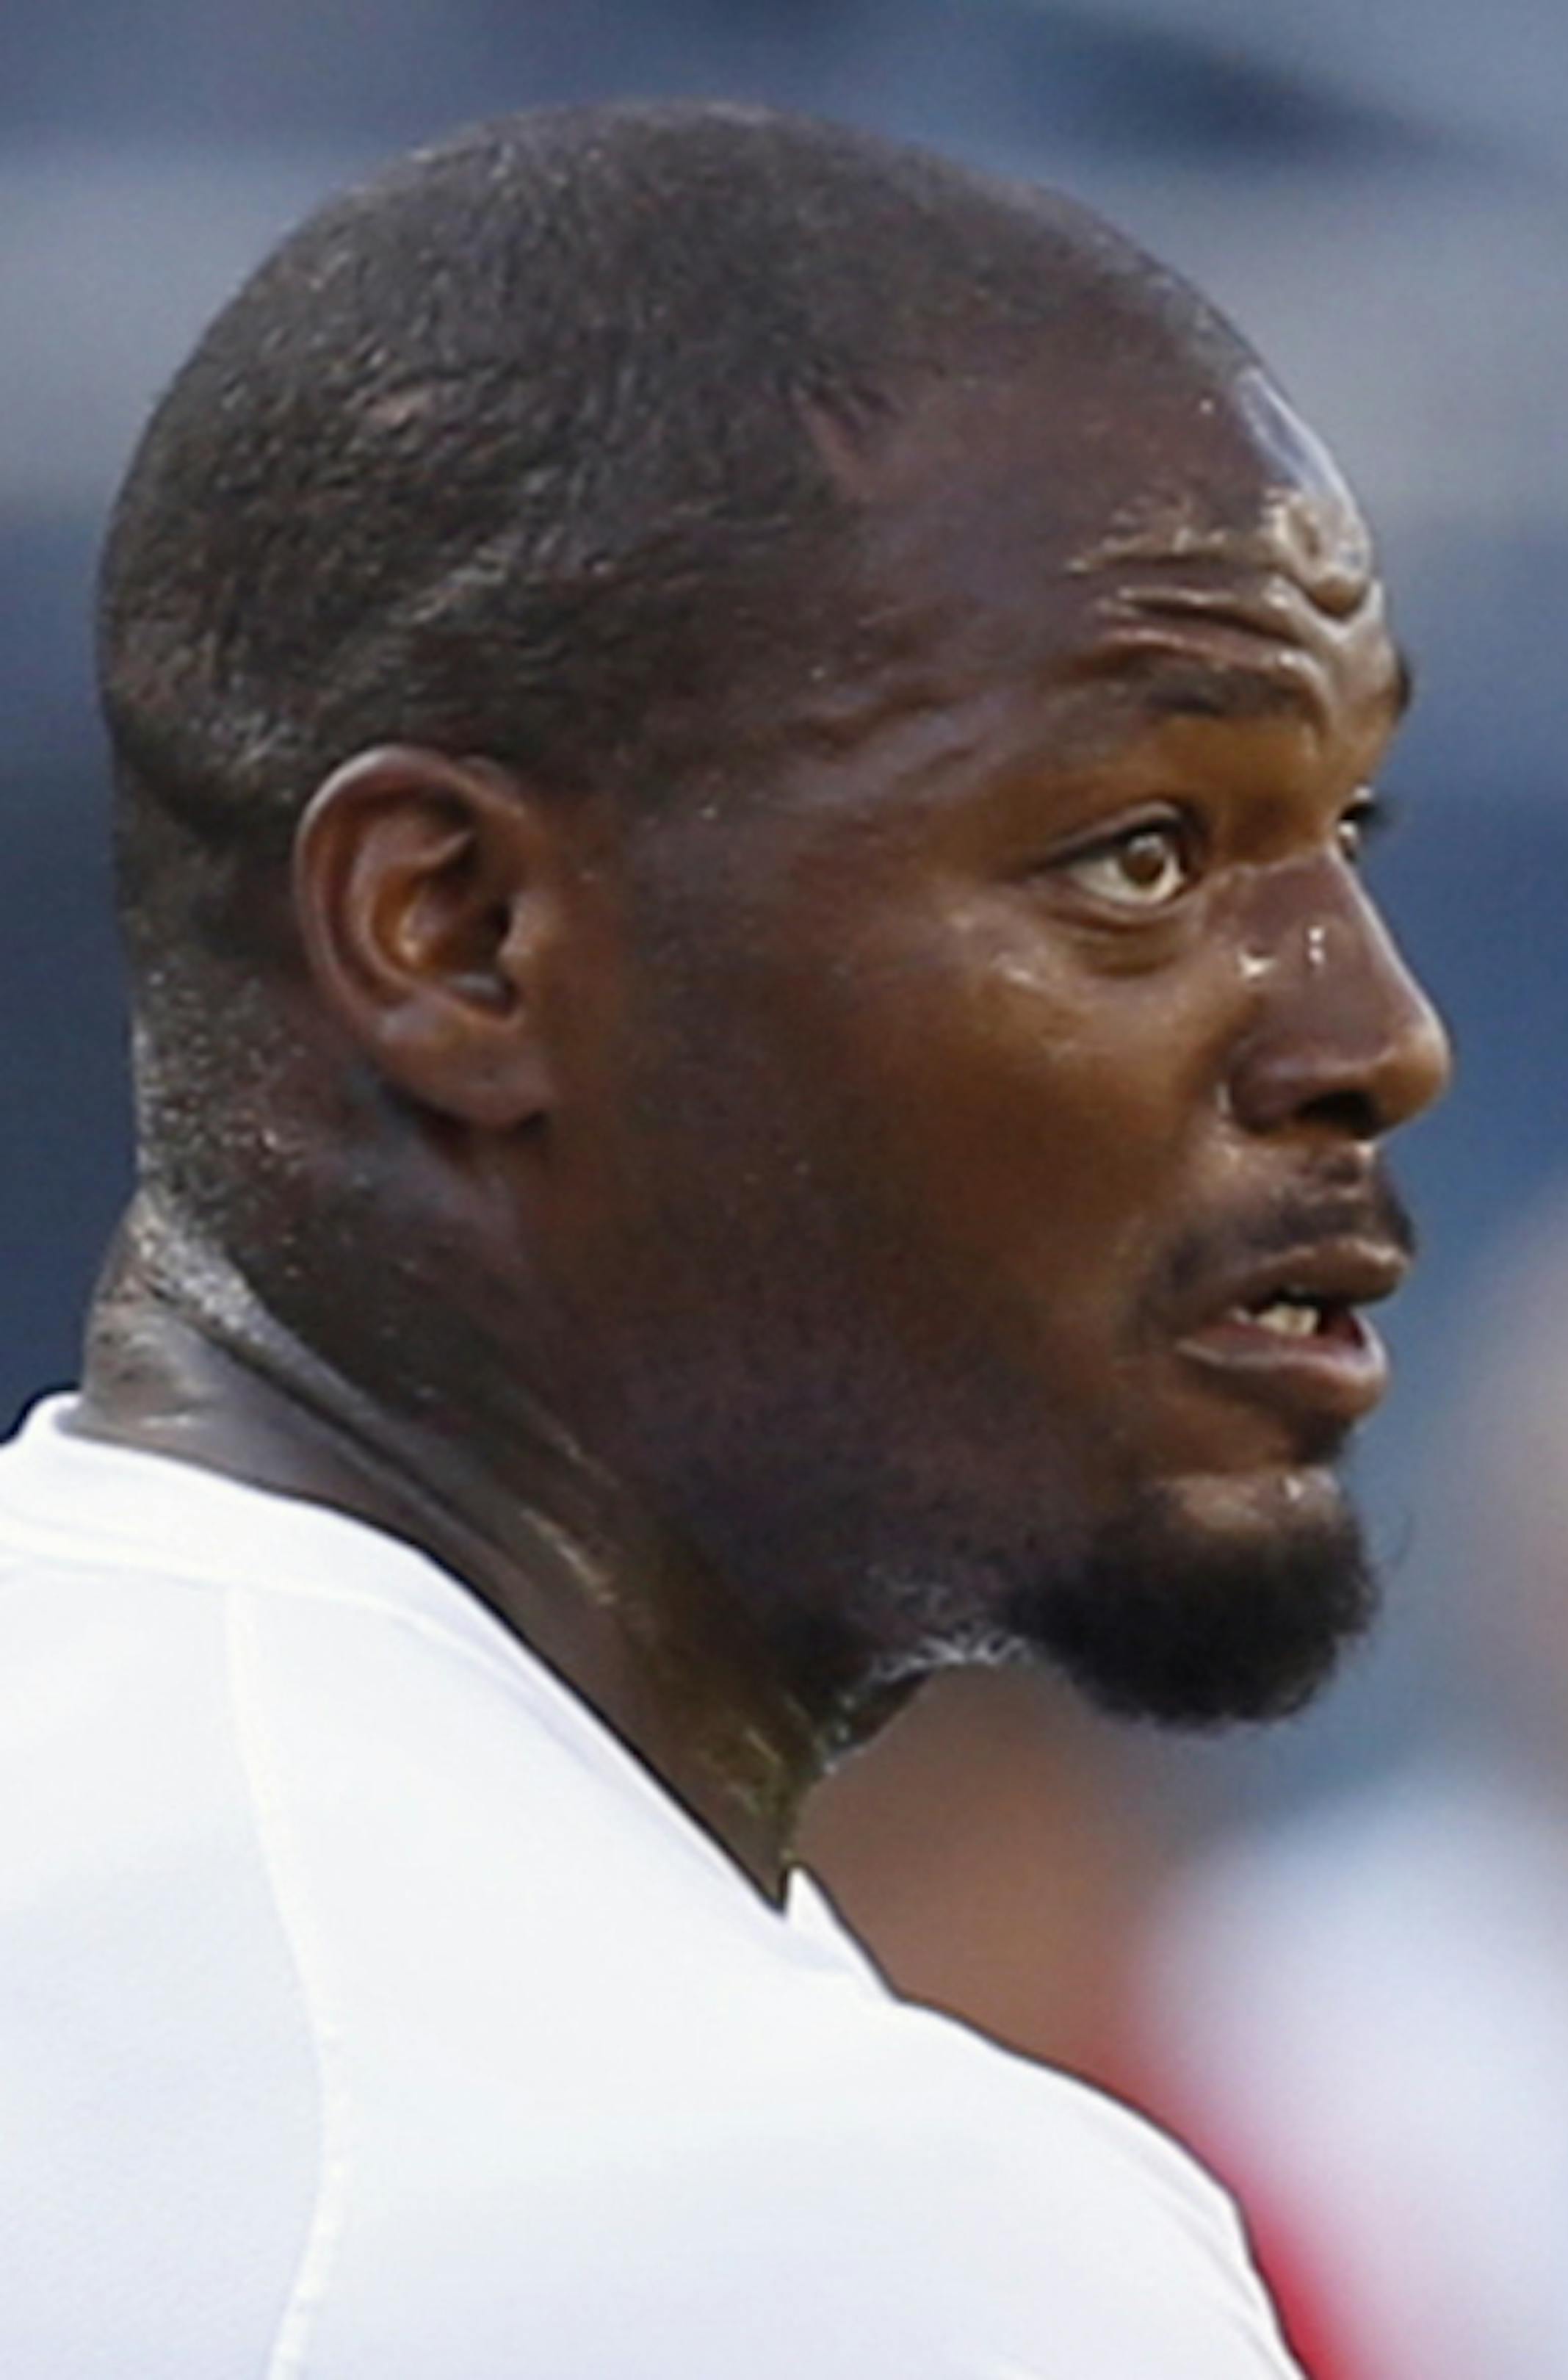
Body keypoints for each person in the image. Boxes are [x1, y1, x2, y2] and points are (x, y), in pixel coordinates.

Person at [0, 101, 1449, 2377]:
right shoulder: (815, 2228)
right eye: (1145, 852)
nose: (1379, 1035)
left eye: (1344, 831)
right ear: (458, 936)